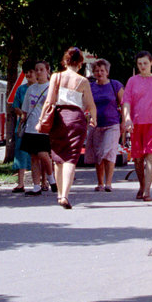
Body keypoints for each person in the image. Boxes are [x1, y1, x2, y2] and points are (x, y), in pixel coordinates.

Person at [36, 47, 97, 210]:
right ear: (80, 63)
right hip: (76, 119)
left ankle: (59, 194)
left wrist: (41, 120)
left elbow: (49, 101)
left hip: (59, 118)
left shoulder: (56, 77)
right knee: (71, 157)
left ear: (65, 61)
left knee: (58, 157)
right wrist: (94, 120)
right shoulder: (83, 81)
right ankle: (65, 195)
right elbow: (91, 105)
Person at [122, 51, 152, 202]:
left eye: (145, 63)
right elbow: (126, 102)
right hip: (136, 124)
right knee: (137, 158)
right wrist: (127, 119)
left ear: (151, 63)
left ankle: (147, 190)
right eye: (139, 64)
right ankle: (142, 185)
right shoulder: (132, 81)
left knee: (150, 156)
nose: (142, 66)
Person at [86, 58, 123, 192]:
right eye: (97, 71)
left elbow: (124, 104)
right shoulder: (90, 87)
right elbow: (86, 104)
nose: (99, 73)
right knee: (98, 154)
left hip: (112, 124)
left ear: (107, 72)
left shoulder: (115, 85)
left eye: (102, 70)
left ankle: (108, 183)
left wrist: (124, 121)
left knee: (108, 151)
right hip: (96, 125)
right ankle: (100, 183)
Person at [20, 61, 53, 196]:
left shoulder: (51, 88)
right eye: (36, 70)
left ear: (47, 71)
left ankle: (51, 178)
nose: (38, 72)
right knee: (34, 157)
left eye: (41, 70)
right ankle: (36, 186)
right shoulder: (31, 89)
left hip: (45, 127)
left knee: (43, 154)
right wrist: (22, 124)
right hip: (31, 128)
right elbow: (26, 110)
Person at [9, 61, 36, 193]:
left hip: (37, 125)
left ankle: (42, 182)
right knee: (20, 153)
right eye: (27, 72)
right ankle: (20, 184)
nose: (29, 74)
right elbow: (15, 106)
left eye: (31, 71)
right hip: (23, 125)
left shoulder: (41, 88)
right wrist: (23, 115)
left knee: (38, 153)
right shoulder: (21, 89)